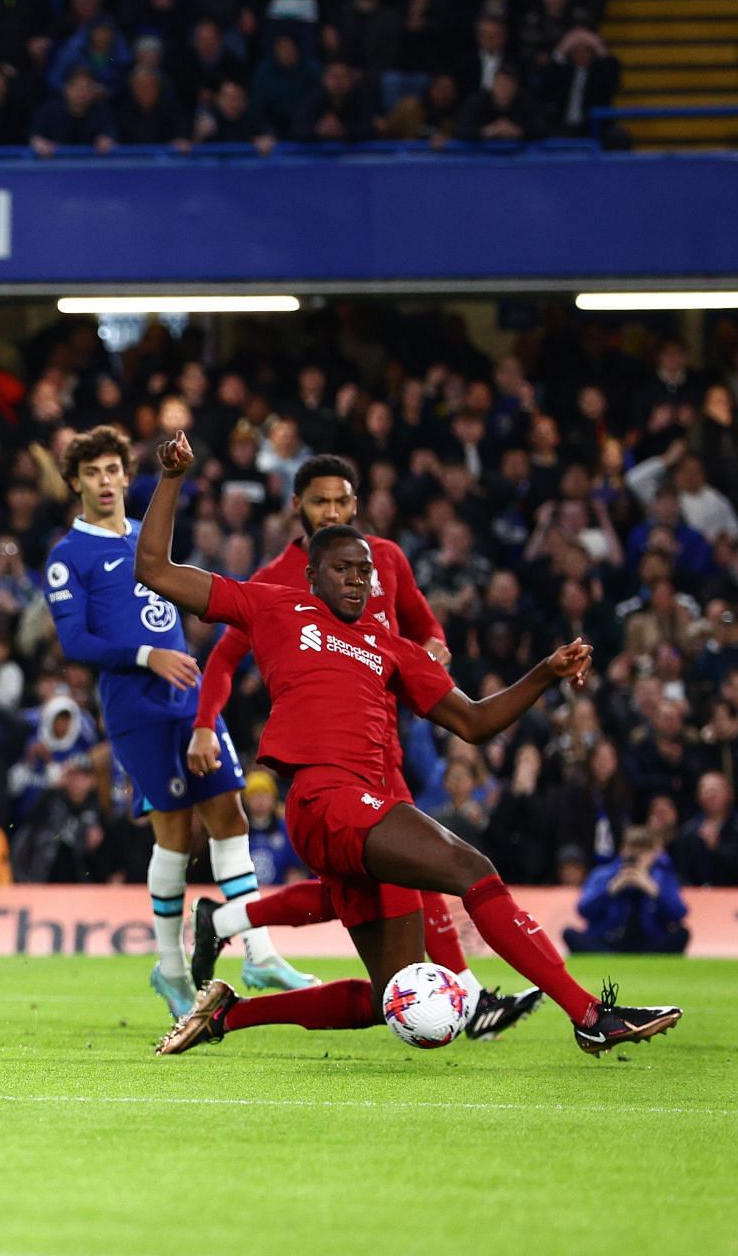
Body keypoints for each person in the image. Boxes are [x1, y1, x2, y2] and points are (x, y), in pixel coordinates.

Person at [138, 432, 681, 1058]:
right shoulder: (274, 604)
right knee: (473, 871)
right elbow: (153, 569)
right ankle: (590, 1015)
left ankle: (229, 1015)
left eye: (365, 572)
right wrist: (173, 479)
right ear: (311, 574)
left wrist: (544, 674)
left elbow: (474, 722)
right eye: (342, 569)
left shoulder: (390, 649)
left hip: (358, 809)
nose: (358, 581)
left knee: (387, 995)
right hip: (325, 797)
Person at [188, 453, 544, 1041]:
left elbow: (426, 627)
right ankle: (468, 993)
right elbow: (225, 656)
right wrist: (206, 722)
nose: (330, 510)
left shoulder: (381, 563)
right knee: (420, 868)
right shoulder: (280, 581)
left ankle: (225, 921)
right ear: (296, 508)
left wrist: (431, 652)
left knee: (359, 888)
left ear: (356, 505)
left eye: (340, 501)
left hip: (387, 747)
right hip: (332, 755)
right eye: (319, 501)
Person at [45, 426, 315, 1019]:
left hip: (188, 697)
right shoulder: (69, 556)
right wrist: (148, 656)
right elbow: (74, 642)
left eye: (114, 469)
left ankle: (260, 953)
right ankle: (169, 968)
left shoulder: (147, 537)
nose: (106, 481)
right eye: (92, 473)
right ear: (75, 484)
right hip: (136, 706)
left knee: (230, 812)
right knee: (173, 828)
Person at [564, 828, 689, 955]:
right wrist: (611, 889)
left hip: (649, 942)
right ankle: (612, 958)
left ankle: (639, 959)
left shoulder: (662, 876)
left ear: (653, 855)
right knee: (569, 934)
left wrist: (653, 890)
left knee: (682, 934)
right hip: (608, 940)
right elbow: (583, 910)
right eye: (633, 851)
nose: (637, 857)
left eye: (643, 852)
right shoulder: (603, 874)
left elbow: (679, 913)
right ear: (623, 851)